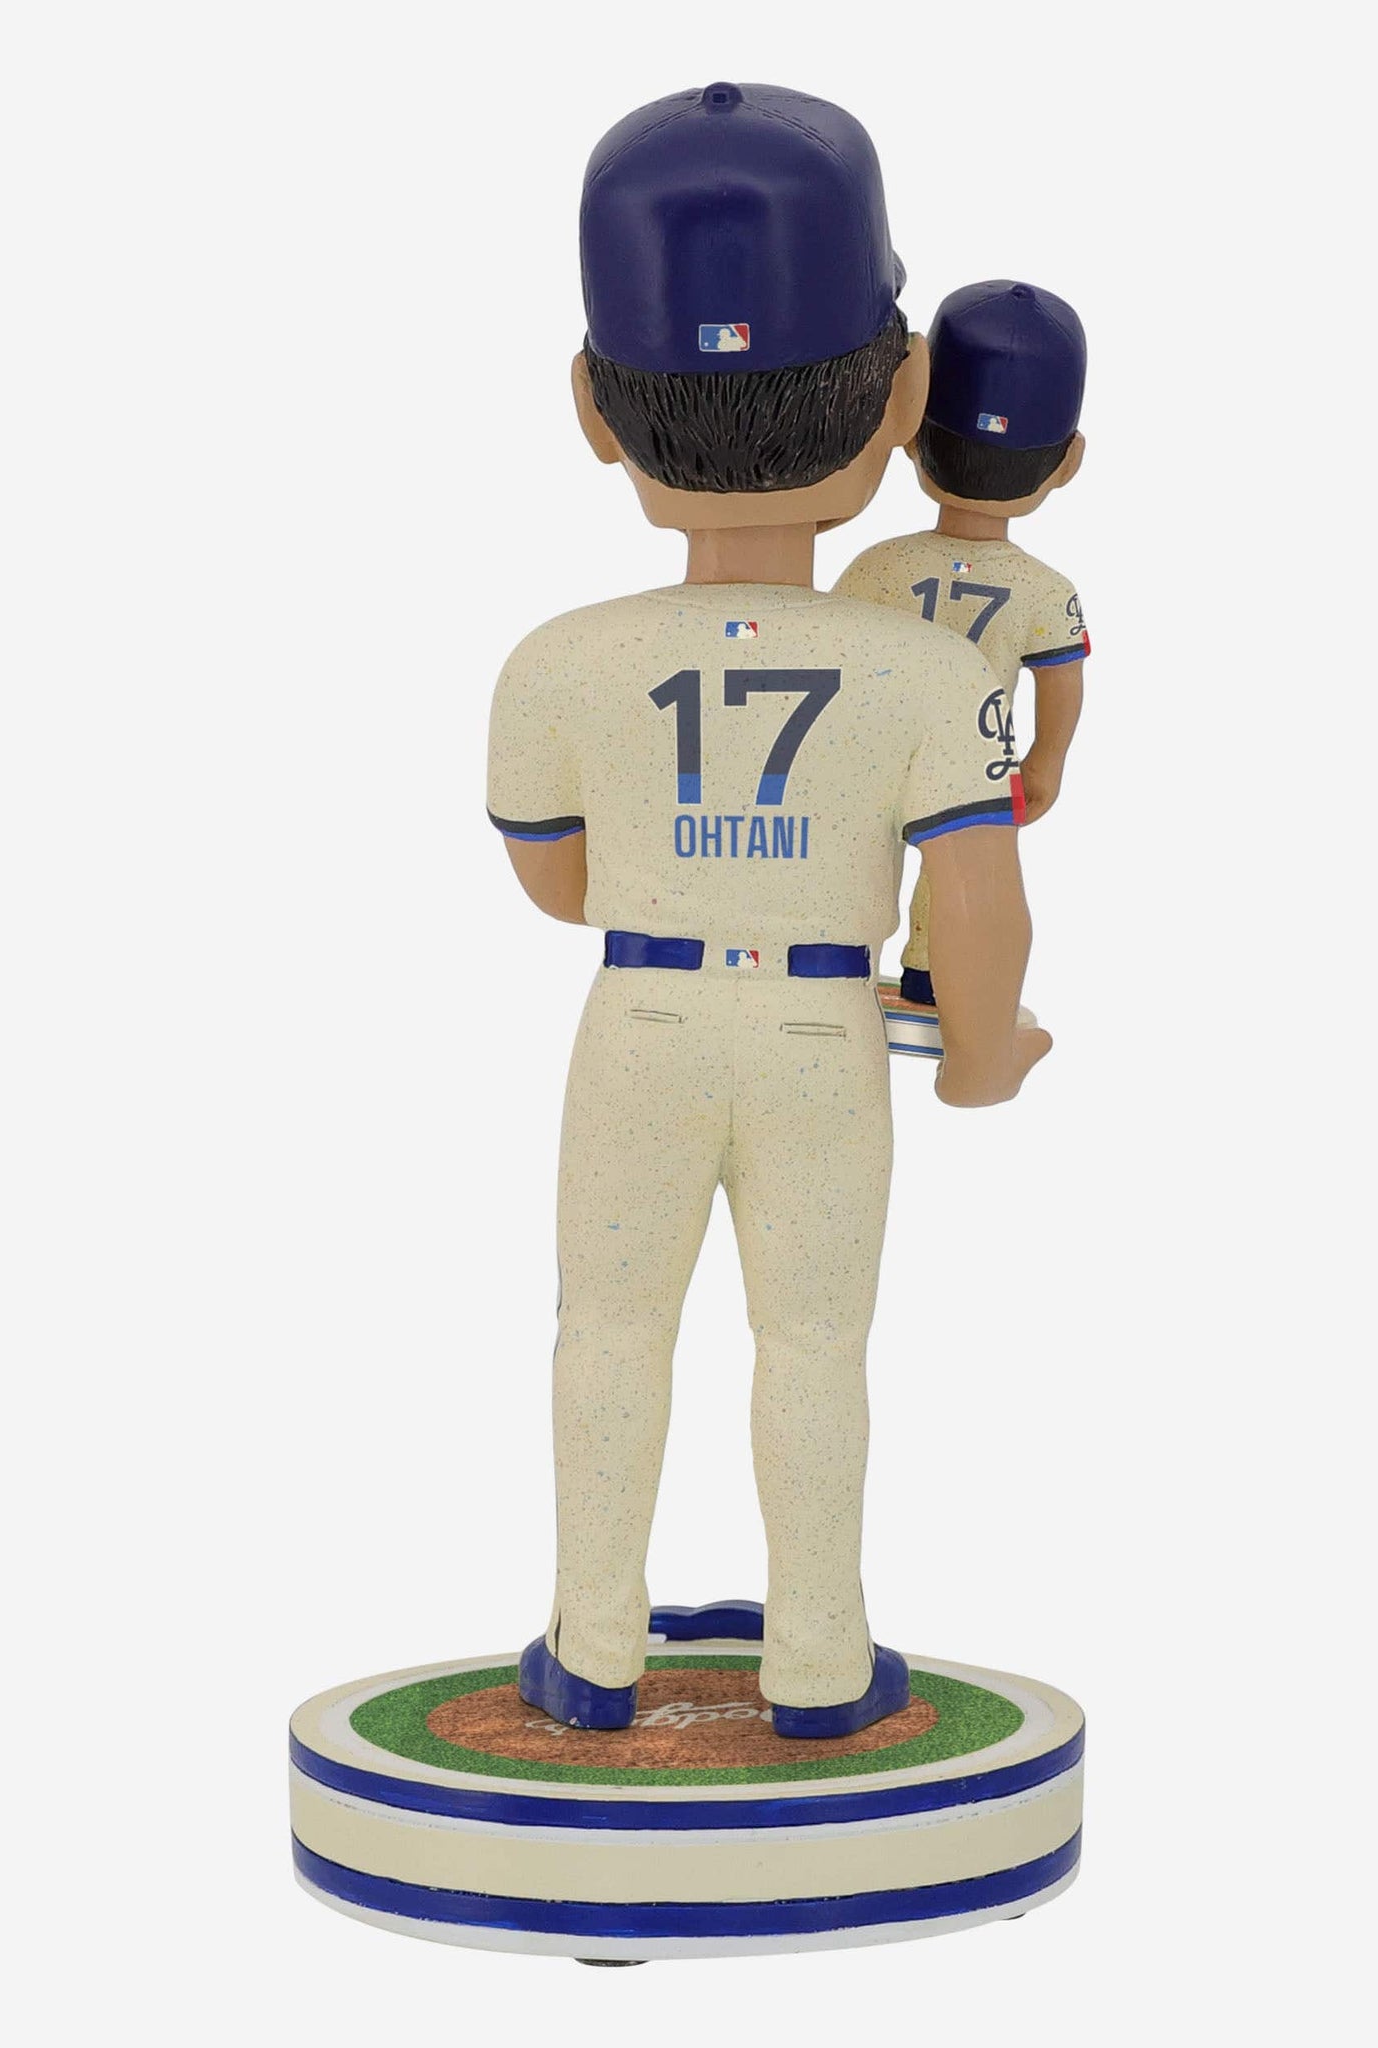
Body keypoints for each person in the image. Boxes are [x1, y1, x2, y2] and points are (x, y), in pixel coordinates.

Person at [486, 83, 1047, 1738]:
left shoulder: (557, 660)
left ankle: (593, 1649)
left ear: (594, 408)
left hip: (639, 1012)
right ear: (904, 397)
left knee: (606, 1328)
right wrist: (982, 1057)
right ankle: (816, 1662)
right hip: (819, 1025)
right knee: (813, 1344)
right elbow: (980, 908)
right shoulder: (932, 669)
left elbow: (557, 883)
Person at [834, 281, 1089, 1005]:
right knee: (959, 874)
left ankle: (841, 966)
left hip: (875, 745)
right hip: (974, 757)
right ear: (1067, 463)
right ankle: (929, 979)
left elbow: (832, 655)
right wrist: (1046, 760)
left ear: (911, 434)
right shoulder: (1046, 588)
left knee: (858, 858)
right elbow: (1061, 681)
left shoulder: (878, 564)